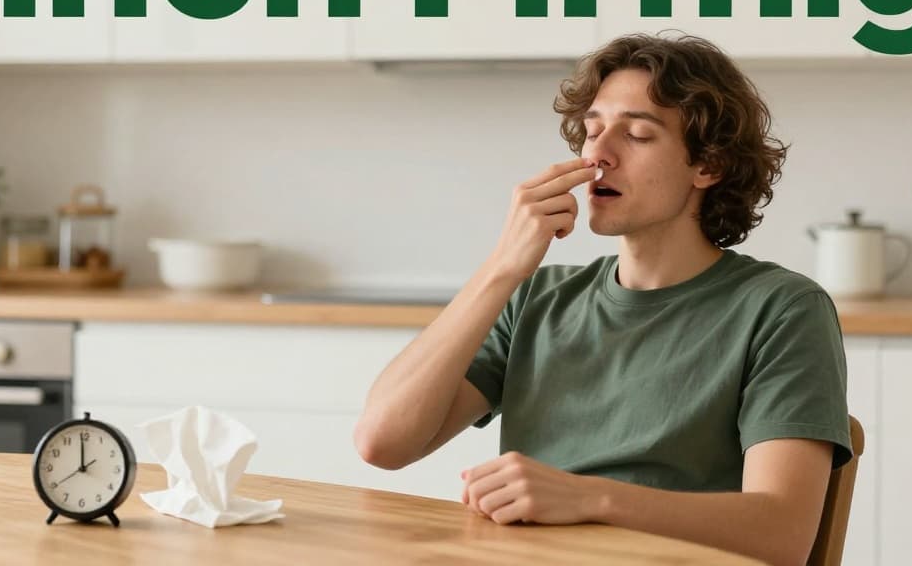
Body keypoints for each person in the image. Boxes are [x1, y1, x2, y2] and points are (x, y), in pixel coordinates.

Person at [353, 32, 851, 566]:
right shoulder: (537, 298)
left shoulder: (781, 309)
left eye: (636, 135)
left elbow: (783, 534)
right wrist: (503, 267)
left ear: (708, 165)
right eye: (591, 132)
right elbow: (382, 443)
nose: (599, 154)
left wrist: (590, 498)